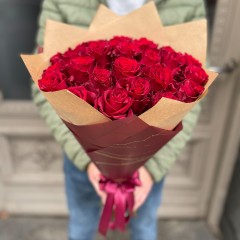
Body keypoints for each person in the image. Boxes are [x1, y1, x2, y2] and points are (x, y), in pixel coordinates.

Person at [32, 0, 206, 239]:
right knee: (81, 224)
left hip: (150, 161)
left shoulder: (186, 4)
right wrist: (88, 160)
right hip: (81, 156)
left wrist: (151, 169)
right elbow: (43, 84)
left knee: (144, 226)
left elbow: (195, 92)